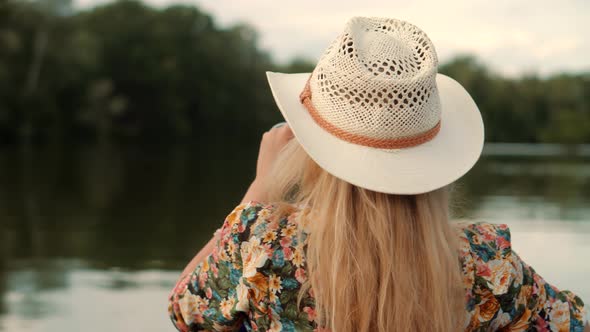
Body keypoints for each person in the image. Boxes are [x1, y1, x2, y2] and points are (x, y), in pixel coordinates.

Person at [168, 17, 588, 331]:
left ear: (311, 147)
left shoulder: (260, 244)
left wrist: (258, 191)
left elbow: (183, 311)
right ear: (431, 155)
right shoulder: (488, 264)